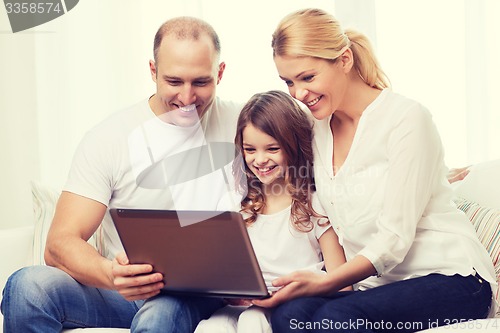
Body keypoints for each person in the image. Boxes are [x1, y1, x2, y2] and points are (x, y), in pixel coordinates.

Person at [252, 8, 498, 333]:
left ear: (343, 60)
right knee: (288, 315)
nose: (298, 94)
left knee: (333, 320)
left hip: (453, 281)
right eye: (289, 82)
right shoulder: (315, 129)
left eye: (308, 77)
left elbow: (393, 239)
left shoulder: (407, 119)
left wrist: (324, 283)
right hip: (377, 289)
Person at [1, 16, 243, 332]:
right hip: (123, 294)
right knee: (27, 287)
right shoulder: (111, 137)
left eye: (200, 82)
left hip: (200, 295)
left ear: (219, 73)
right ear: (153, 71)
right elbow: (59, 243)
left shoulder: (248, 127)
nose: (186, 98)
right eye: (173, 82)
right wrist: (112, 275)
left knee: (159, 315)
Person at [195, 90, 350, 333]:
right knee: (211, 327)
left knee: (253, 321)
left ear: (293, 146)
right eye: (250, 149)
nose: (260, 159)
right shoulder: (237, 205)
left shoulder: (314, 204)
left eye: (272, 148)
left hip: (291, 306)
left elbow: (342, 284)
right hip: (244, 305)